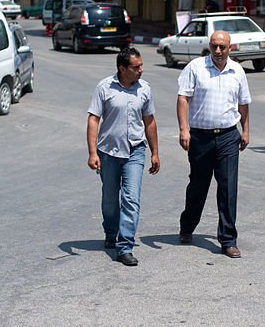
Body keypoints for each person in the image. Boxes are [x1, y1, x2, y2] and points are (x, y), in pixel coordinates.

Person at [177, 30, 251, 258]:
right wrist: (184, 129)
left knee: (228, 189)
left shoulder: (237, 70)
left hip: (229, 136)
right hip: (201, 137)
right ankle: (187, 226)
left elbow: (244, 103)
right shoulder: (195, 68)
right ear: (209, 47)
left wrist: (246, 130)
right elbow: (183, 98)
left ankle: (228, 240)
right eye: (214, 46)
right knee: (198, 186)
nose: (217, 51)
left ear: (230, 49)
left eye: (222, 47)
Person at [87, 47, 160, 266]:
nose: (141, 70)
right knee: (110, 200)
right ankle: (111, 232)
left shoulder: (144, 89)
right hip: (108, 152)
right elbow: (93, 119)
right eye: (136, 67)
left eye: (141, 66)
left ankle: (125, 246)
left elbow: (149, 121)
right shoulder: (104, 87)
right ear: (122, 68)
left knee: (131, 199)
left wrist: (155, 152)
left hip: (135, 151)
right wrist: (92, 153)